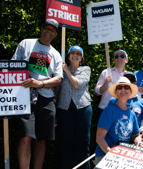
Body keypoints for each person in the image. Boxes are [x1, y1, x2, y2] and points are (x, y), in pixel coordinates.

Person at [11, 19, 63, 169]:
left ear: (55, 34)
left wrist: (40, 83)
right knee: (25, 136)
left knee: (42, 139)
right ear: (41, 29)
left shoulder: (56, 54)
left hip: (46, 100)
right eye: (46, 28)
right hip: (24, 97)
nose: (48, 32)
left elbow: (59, 78)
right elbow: (13, 66)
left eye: (52, 30)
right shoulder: (26, 44)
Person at [57, 46, 92, 169]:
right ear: (68, 55)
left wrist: (66, 70)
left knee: (83, 143)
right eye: (73, 53)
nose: (75, 55)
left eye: (78, 53)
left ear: (82, 58)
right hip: (64, 109)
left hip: (83, 108)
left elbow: (77, 84)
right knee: (66, 142)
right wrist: (62, 70)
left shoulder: (85, 69)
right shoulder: (60, 69)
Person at [94, 77, 143, 164]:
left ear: (130, 91)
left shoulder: (131, 114)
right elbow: (99, 138)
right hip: (105, 155)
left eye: (126, 87)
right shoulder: (109, 110)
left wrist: (138, 139)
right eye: (119, 87)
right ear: (116, 92)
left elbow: (136, 135)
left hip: (123, 157)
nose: (123, 90)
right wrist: (111, 154)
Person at [109, 72, 143, 140]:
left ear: (135, 83)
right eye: (126, 81)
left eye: (131, 81)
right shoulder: (113, 101)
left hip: (138, 137)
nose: (129, 83)